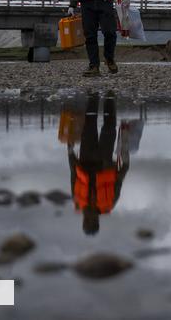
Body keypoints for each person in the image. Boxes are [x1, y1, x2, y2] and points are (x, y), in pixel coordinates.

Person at [67, 92, 130, 235]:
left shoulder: (77, 201)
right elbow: (119, 179)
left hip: (86, 157)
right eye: (93, 222)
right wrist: (126, 161)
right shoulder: (109, 204)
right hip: (105, 160)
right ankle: (109, 96)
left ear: (83, 221)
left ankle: (93, 94)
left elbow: (73, 174)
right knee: (109, 126)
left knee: (89, 124)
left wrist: (70, 151)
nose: (90, 219)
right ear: (98, 221)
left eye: (87, 222)